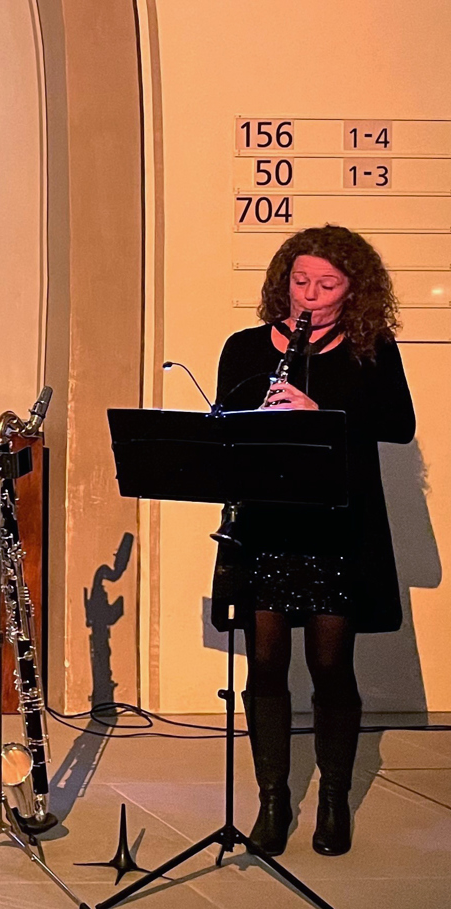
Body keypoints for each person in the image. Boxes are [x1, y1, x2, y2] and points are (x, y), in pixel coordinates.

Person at [212, 225, 415, 857]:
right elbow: (223, 428)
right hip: (267, 524)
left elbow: (399, 425)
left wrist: (317, 411)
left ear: (354, 290)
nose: (310, 295)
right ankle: (272, 800)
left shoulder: (371, 349)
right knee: (266, 665)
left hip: (337, 528)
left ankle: (333, 800)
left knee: (331, 666)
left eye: (327, 285)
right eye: (301, 281)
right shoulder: (246, 347)